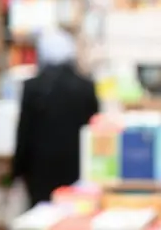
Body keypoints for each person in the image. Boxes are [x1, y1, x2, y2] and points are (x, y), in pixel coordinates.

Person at [12, 29, 99, 207]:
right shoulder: (86, 87)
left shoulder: (32, 88)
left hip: (40, 171)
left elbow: (24, 131)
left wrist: (16, 170)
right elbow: (94, 132)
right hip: (77, 170)